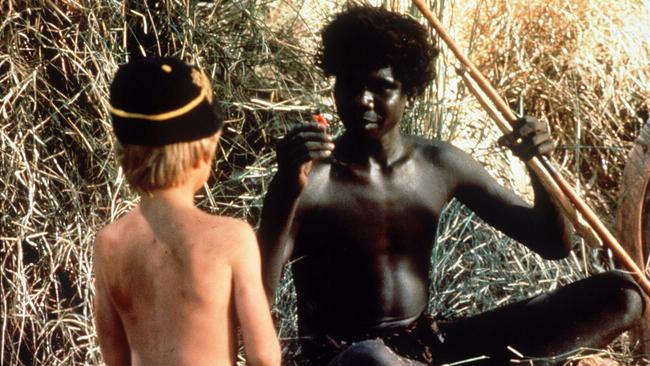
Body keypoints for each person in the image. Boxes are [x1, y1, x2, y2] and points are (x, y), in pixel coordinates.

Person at [258, 5, 644, 365]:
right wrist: (284, 190)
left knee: (622, 293)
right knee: (372, 359)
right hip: (344, 354)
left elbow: (554, 244)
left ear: (410, 92)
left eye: (380, 87)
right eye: (350, 85)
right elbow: (260, 292)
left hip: (426, 343)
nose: (362, 100)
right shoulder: (313, 178)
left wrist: (538, 170)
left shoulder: (437, 164)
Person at [93, 57, 281, 366]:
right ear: (203, 154)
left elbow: (114, 356)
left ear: (126, 155)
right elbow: (263, 356)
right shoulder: (232, 238)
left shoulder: (109, 243)